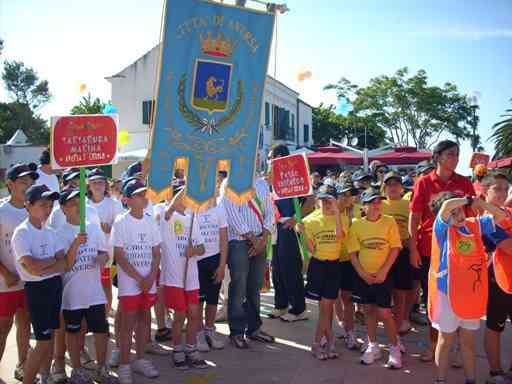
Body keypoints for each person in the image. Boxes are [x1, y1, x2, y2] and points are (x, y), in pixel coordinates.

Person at [428, 193, 510, 384]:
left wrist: (480, 203)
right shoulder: (441, 228)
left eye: (461, 211)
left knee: (468, 342)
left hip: (471, 296)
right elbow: (447, 205)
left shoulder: (474, 224)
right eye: (454, 213)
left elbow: (501, 217)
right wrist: (466, 200)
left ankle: (470, 380)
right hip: (447, 295)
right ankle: (440, 380)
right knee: (445, 341)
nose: (459, 215)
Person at [409, 140, 475, 362]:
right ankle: (434, 345)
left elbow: (472, 214)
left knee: (459, 299)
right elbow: (415, 217)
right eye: (450, 154)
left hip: (461, 251)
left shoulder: (465, 182)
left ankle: (454, 348)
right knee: (435, 301)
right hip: (431, 250)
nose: (455, 158)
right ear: (437, 157)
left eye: (457, 154)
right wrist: (413, 249)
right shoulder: (424, 183)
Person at [57, 188, 116, 384]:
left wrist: (101, 257)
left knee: (101, 331)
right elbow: (64, 264)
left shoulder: (93, 227)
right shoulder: (59, 233)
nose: (78, 207)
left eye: (80, 203)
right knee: (73, 333)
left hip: (95, 292)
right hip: (72, 294)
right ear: (64, 208)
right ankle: (77, 370)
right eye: (72, 204)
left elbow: (105, 254)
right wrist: (75, 244)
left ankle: (102, 368)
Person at [12, 185, 66, 384]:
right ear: (28, 205)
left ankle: (45, 376)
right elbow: (32, 268)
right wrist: (52, 262)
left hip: (53, 286)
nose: (48, 208)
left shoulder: (50, 231)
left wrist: (46, 265)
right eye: (43, 204)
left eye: (50, 204)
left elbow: (64, 264)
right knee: (42, 342)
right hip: (37, 290)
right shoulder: (22, 233)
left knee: (50, 336)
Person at [111, 179, 161, 384]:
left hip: (148, 281)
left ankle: (140, 359)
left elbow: (156, 252)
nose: (144, 198)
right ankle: (124, 364)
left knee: (144, 319)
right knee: (128, 322)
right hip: (130, 283)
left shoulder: (150, 221)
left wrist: (150, 277)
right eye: (139, 195)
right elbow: (120, 256)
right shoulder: (121, 222)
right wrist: (139, 278)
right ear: (127, 200)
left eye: (144, 194)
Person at [347, 188, 402, 369]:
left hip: (383, 276)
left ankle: (394, 349)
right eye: (372, 202)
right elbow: (353, 254)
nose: (376, 205)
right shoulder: (356, 224)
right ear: (364, 206)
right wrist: (362, 273)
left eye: (379, 201)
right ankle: (373, 346)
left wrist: (384, 272)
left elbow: (395, 248)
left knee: (385, 313)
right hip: (364, 276)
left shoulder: (389, 222)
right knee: (369, 311)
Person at [222, 175, 275, 349]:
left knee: (255, 286)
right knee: (239, 286)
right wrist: (254, 239)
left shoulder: (261, 183)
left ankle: (254, 328)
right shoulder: (229, 183)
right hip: (238, 241)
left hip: (260, 239)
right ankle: (237, 331)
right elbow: (232, 215)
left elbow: (269, 213)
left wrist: (263, 237)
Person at [159, 189, 208, 370]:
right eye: (182, 197)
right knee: (179, 315)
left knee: (194, 314)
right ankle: (177, 350)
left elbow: (202, 247)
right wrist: (190, 183)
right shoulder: (166, 215)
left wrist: (193, 251)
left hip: (191, 276)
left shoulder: (191, 218)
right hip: (174, 276)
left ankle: (191, 349)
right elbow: (172, 206)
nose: (184, 201)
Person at [0, 164, 38, 381]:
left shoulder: (32, 209)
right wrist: (6, 274)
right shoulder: (1, 210)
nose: (27, 185)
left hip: (28, 281)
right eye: (23, 181)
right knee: (3, 328)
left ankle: (23, 364)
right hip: (5, 283)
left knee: (25, 323)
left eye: (30, 181)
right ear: (10, 184)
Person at [268, 144, 312, 322]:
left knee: (290, 269)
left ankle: (298, 309)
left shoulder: (298, 175)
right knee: (276, 268)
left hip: (289, 227)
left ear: (279, 156)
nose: (269, 160)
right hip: (274, 227)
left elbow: (310, 200)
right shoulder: (271, 178)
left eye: (271, 157)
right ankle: (281, 305)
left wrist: (295, 218)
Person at [300, 184, 344, 360]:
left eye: (330, 200)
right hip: (318, 266)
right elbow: (311, 249)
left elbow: (340, 237)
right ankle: (326, 341)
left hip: (334, 265)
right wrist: (303, 233)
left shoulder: (341, 218)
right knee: (325, 308)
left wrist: (336, 213)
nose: (326, 203)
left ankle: (320, 343)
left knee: (327, 307)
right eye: (323, 200)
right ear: (318, 201)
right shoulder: (310, 220)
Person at [478, 173, 512, 384]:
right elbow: (508, 247)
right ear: (485, 192)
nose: (502, 193)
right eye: (497, 188)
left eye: (505, 189)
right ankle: (495, 372)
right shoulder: (485, 221)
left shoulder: (508, 213)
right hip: (496, 280)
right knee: (494, 327)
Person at [381, 172, 413, 343]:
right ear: (384, 187)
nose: (392, 187)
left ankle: (398, 329)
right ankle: (388, 330)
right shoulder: (378, 204)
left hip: (402, 253)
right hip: (382, 254)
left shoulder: (409, 205)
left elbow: (415, 228)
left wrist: (410, 245)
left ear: (401, 188)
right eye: (389, 184)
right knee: (385, 293)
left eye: (396, 184)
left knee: (400, 293)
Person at [194, 197, 229, 352]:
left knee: (213, 300)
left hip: (215, 260)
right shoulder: (192, 210)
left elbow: (224, 239)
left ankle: (210, 331)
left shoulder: (219, 210)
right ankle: (199, 333)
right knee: (198, 301)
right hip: (197, 261)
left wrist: (222, 265)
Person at [87, 168, 123, 313]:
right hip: (87, 251)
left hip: (107, 251)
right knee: (88, 284)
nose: (97, 186)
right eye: (94, 182)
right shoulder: (83, 204)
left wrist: (110, 229)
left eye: (101, 182)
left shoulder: (114, 203)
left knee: (105, 284)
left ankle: (105, 316)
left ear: (106, 185)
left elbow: (121, 227)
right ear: (89, 185)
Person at [333, 182, 357, 350]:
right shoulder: (329, 210)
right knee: (333, 297)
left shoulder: (359, 210)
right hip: (332, 259)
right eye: (344, 194)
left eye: (351, 195)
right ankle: (341, 325)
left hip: (349, 259)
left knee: (347, 298)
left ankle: (350, 331)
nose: (348, 198)